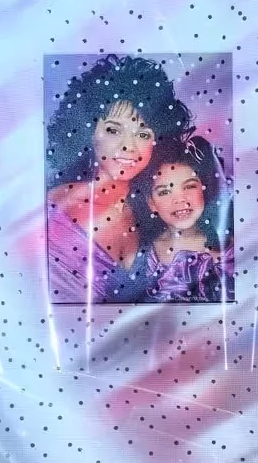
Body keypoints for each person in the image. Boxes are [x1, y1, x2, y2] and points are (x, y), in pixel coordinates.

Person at [45, 55, 194, 303]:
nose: (129, 147)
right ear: (87, 132)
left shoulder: (155, 210)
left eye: (143, 134)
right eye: (113, 130)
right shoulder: (54, 209)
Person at [128, 135, 234, 303]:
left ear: (204, 189)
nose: (180, 200)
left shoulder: (231, 246)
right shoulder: (142, 254)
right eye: (164, 192)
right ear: (151, 203)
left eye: (189, 186)